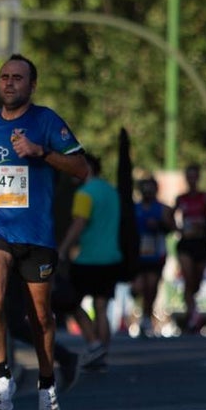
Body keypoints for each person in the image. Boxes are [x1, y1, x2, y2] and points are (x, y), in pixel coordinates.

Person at [0, 54, 88, 410]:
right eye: (4, 77)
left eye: (17, 78)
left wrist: (42, 152)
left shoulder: (46, 120)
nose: (9, 83)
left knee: (39, 317)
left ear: (31, 85)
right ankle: (2, 374)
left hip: (35, 232)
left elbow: (81, 168)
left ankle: (46, 383)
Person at [57, 154, 122, 370]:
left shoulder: (85, 194)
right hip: (111, 257)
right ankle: (102, 351)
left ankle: (94, 345)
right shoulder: (111, 191)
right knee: (101, 307)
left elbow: (79, 224)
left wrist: (63, 250)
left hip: (88, 258)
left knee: (72, 302)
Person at [174, 164, 206, 334]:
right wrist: (178, 229)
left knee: (196, 282)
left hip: (201, 242)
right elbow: (171, 216)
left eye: (194, 176)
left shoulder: (205, 197)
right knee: (188, 279)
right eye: (189, 176)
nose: (192, 180)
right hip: (186, 243)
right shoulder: (181, 198)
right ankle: (192, 315)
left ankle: (191, 307)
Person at [132, 176, 174, 337]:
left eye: (151, 189)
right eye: (145, 189)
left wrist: (159, 225)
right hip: (139, 254)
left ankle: (147, 317)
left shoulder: (162, 208)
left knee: (152, 287)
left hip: (156, 253)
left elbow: (171, 228)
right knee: (140, 286)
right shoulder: (135, 208)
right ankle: (142, 312)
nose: (148, 192)